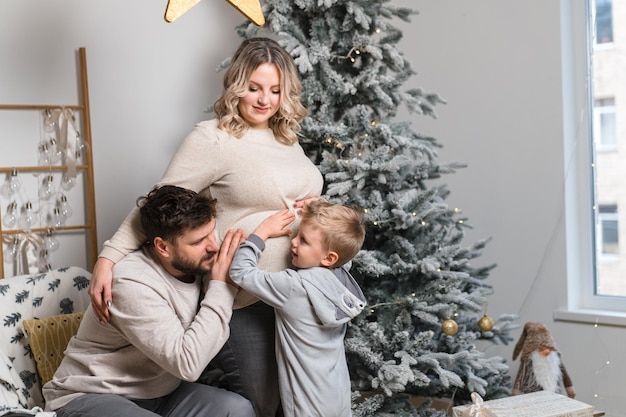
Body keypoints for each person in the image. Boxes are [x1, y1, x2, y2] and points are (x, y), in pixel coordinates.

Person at [87, 37, 323, 416]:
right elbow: (158, 203)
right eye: (254, 88)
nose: (265, 100)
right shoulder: (213, 138)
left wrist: (314, 209)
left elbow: (294, 198)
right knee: (261, 404)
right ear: (235, 86)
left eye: (276, 90)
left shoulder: (287, 138)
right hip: (244, 296)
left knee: (296, 400)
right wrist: (108, 258)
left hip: (294, 292)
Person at [43, 185, 254, 417]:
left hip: (159, 393)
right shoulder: (131, 283)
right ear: (162, 247)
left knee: (236, 409)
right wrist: (223, 285)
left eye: (212, 233)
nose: (214, 246)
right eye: (198, 242)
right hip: (92, 393)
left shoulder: (196, 260)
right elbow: (189, 364)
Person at [229, 200, 367, 417]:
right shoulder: (339, 278)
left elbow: (240, 272)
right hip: (336, 394)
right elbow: (344, 257)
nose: (293, 242)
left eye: (303, 240)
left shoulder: (293, 286)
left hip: (307, 402)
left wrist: (261, 233)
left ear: (328, 258)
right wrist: (323, 208)